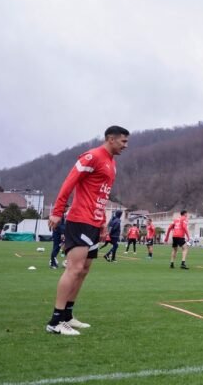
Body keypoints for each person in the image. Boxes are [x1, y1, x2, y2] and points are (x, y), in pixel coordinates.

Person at [46, 125, 129, 336]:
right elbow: (69, 182)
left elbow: (100, 196)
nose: (125, 146)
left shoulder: (112, 164)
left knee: (84, 270)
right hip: (79, 219)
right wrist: (57, 211)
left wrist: (102, 221)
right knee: (74, 268)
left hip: (94, 222)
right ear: (111, 139)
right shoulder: (92, 156)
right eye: (123, 141)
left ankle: (67, 315)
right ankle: (55, 321)